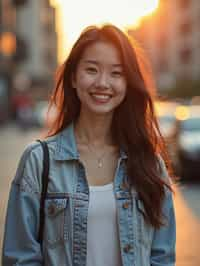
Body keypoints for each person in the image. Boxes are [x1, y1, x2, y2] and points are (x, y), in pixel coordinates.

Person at [2, 24, 176, 266]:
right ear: (73, 77)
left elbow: (162, 258)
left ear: (128, 83)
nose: (103, 83)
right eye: (92, 70)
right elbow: (20, 258)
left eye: (117, 73)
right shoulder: (39, 161)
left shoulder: (150, 164)